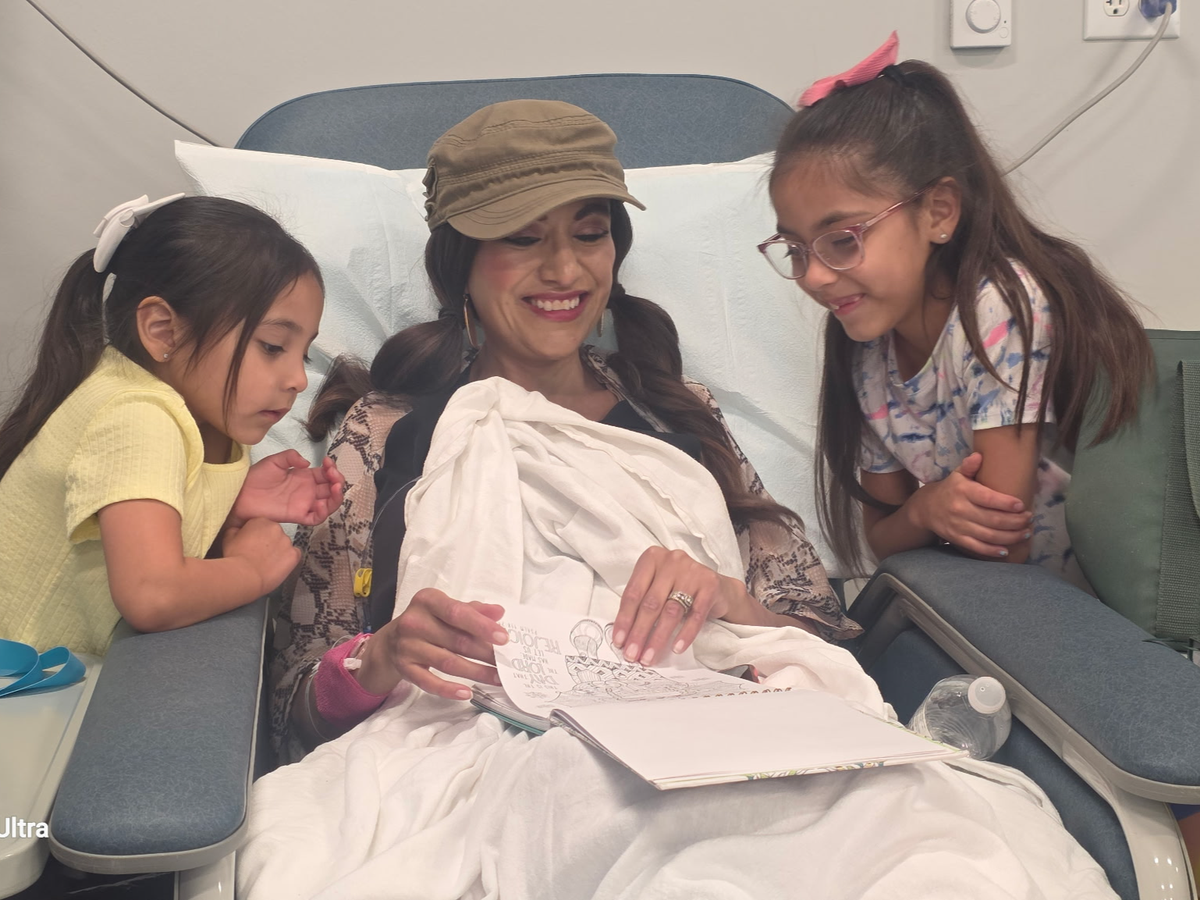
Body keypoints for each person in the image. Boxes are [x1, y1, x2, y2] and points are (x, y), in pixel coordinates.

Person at [270, 99, 858, 762]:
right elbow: (292, 708)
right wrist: (378, 658)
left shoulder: (677, 412)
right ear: (461, 264)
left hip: (702, 747)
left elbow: (820, 640)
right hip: (464, 762)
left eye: (589, 234)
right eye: (523, 239)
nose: (565, 271)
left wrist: (726, 598)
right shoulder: (384, 431)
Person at [759, 32, 1152, 584]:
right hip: (981, 597)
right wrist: (925, 509)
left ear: (939, 212)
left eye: (843, 239)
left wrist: (923, 519)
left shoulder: (1000, 309)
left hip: (1084, 604)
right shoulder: (865, 353)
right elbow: (881, 540)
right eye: (795, 250)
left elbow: (1003, 543)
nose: (814, 276)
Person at [0, 194, 345, 657]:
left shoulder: (201, 418)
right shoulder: (137, 414)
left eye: (304, 355)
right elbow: (153, 593)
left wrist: (231, 506)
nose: (298, 379)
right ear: (163, 330)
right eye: (271, 346)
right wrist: (251, 570)